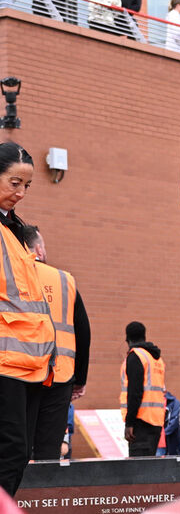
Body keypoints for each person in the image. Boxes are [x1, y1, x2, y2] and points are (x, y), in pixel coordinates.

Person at [0, 143, 56, 496]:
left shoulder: (13, 230)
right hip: (6, 362)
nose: (20, 193)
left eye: (27, 186)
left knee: (17, 454)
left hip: (29, 366)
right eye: (13, 183)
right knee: (12, 452)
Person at [21, 226, 92, 461]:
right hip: (60, 376)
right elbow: (83, 331)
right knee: (48, 451)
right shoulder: (64, 281)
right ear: (39, 249)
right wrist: (79, 379)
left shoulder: (10, 277)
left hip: (19, 375)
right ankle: (45, 496)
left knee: (16, 447)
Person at [119, 321, 165, 457]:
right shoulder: (156, 359)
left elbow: (135, 392)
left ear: (127, 339)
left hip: (140, 421)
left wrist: (129, 423)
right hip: (155, 421)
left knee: (138, 471)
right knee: (148, 469)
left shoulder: (135, 357)